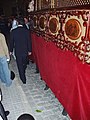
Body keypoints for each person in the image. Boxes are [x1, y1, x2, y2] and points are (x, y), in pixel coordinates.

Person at [10, 17, 32, 84]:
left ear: (17, 23)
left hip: (18, 51)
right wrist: (30, 50)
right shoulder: (26, 31)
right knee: (24, 63)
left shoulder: (13, 31)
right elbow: (29, 41)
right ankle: (23, 71)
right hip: (25, 50)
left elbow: (11, 42)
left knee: (19, 65)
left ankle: (23, 79)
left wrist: (10, 50)